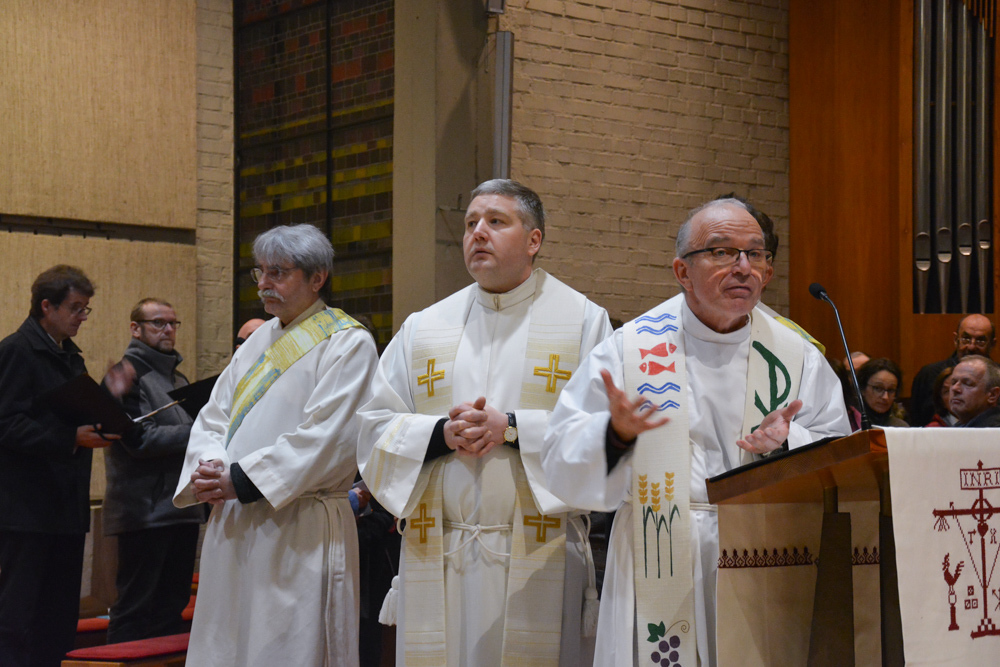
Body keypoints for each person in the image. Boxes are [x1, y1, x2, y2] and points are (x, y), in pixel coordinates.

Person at [541, 197, 851, 667]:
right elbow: (560, 456)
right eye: (722, 252)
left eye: (755, 253)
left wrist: (788, 442)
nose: (743, 267)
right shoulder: (629, 350)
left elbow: (837, 449)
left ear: (768, 271)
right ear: (682, 272)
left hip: (763, 551)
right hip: (658, 546)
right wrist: (615, 435)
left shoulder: (796, 355)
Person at [358, 179, 613, 666]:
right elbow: (373, 426)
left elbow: (604, 430)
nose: (478, 232)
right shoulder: (425, 326)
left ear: (534, 240)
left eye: (496, 221)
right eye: (471, 222)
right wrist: (439, 434)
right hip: (440, 548)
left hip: (539, 554)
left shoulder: (583, 320)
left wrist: (513, 428)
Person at [173, 224, 379, 667]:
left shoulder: (348, 343)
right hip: (234, 518)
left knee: (285, 647)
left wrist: (241, 481)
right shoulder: (257, 342)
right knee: (226, 644)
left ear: (317, 278)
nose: (264, 284)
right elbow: (213, 417)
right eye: (260, 272)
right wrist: (211, 468)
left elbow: (328, 435)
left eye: (278, 273)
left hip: (299, 523)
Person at [0, 265, 132, 667]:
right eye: (76, 308)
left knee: (59, 616)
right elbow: (6, 423)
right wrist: (69, 438)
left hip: (66, 506)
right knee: (19, 614)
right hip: (26, 509)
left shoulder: (70, 356)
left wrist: (109, 396)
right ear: (47, 306)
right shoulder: (17, 351)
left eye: (85, 309)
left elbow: (74, 409)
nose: (82, 317)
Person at [102, 298, 205, 643]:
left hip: (181, 510)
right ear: (136, 328)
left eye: (173, 323)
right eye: (158, 323)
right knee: (134, 611)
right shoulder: (125, 376)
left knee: (171, 611)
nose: (168, 330)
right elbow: (139, 440)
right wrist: (200, 432)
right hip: (143, 513)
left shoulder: (178, 378)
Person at [909, 314, 996, 426]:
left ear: (992, 344)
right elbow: (916, 421)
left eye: (980, 341)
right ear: (956, 339)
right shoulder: (929, 375)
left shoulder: (997, 376)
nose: (971, 346)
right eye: (966, 339)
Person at [848, 358, 909, 430]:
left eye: (891, 390)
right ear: (862, 389)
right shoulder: (849, 424)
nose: (885, 397)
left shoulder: (901, 427)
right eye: (878, 388)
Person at [948, 355, 1000, 427]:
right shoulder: (961, 426)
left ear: (992, 395)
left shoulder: (994, 430)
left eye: (967, 384)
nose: (955, 388)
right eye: (953, 382)